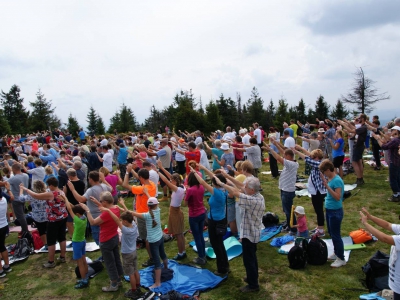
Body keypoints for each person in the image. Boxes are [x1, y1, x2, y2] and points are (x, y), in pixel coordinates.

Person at [214, 176, 265, 293]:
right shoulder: (257, 195)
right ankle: (252, 277)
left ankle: (253, 285)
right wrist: (228, 178)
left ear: (251, 190)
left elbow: (235, 192)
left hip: (250, 235)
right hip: (252, 233)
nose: (244, 187)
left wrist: (221, 183)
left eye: (246, 187)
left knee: (249, 260)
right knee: (252, 258)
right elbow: (241, 186)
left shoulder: (252, 200)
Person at [190, 165, 229, 276]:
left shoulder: (216, 193)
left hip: (215, 221)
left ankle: (222, 269)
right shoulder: (223, 188)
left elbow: (203, 182)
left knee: (216, 245)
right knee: (220, 244)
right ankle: (225, 265)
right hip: (220, 219)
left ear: (215, 183)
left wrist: (194, 173)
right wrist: (203, 168)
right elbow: (213, 177)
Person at [81, 192, 124, 292]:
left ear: (105, 202)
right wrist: (97, 202)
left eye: (101, 201)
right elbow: (107, 209)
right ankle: (119, 279)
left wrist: (87, 210)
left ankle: (113, 284)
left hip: (106, 240)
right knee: (116, 259)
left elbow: (93, 222)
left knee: (109, 263)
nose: (100, 203)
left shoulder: (105, 214)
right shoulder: (116, 208)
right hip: (114, 237)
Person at [100, 200, 143, 299]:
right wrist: (123, 204)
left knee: (131, 273)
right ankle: (138, 286)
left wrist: (108, 210)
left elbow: (116, 220)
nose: (121, 221)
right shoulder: (134, 224)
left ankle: (133, 291)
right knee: (136, 270)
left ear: (125, 222)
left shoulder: (126, 230)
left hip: (127, 253)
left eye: (123, 220)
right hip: (134, 252)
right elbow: (129, 214)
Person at [22, 177, 68, 268]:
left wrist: (26, 189)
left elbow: (36, 196)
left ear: (51, 185)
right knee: (62, 237)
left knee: (51, 241)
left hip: (53, 220)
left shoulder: (51, 194)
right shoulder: (61, 191)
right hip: (63, 217)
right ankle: (63, 257)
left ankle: (51, 261)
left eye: (48, 185)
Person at [359, 208, 400, 299]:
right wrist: (371, 217)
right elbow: (387, 225)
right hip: (396, 281)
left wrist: (366, 223)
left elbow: (384, 238)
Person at [130, 196, 168, 289]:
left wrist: (122, 206)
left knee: (156, 262)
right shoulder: (158, 210)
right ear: (156, 205)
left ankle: (158, 282)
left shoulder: (146, 215)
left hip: (153, 241)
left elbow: (132, 213)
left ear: (148, 206)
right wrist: (148, 194)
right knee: (162, 254)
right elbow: (153, 204)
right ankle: (166, 268)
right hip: (160, 237)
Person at [122, 166, 157, 267]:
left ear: (141, 177)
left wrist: (128, 172)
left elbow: (125, 184)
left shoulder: (141, 189)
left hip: (142, 216)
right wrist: (132, 169)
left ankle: (152, 258)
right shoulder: (152, 185)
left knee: (146, 239)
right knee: (151, 237)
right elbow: (141, 178)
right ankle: (155, 256)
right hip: (150, 213)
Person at [263, 142, 298, 236]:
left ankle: (293, 230)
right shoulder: (291, 161)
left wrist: (270, 150)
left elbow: (279, 158)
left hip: (287, 191)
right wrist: (275, 144)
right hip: (284, 189)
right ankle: (289, 225)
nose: (283, 156)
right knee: (286, 210)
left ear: (288, 156)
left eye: (285, 155)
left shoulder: (291, 164)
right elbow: (283, 153)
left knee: (289, 211)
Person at [155, 161, 186, 260]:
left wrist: (158, 171)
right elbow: (170, 177)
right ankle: (182, 251)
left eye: (172, 180)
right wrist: (162, 168)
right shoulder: (182, 186)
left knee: (178, 234)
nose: (171, 181)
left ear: (175, 181)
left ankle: (181, 252)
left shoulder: (178, 189)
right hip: (176, 211)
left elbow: (166, 180)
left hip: (175, 212)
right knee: (179, 233)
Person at [293, 147, 327, 237]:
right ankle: (319, 227)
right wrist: (301, 149)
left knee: (319, 211)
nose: (311, 158)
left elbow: (307, 159)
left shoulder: (318, 164)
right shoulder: (318, 162)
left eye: (313, 157)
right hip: (316, 192)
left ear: (317, 157)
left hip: (318, 192)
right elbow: (309, 156)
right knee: (318, 210)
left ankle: (321, 230)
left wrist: (297, 151)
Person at [319, 159, 346, 268]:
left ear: (329, 170)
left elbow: (338, 197)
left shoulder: (337, 181)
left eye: (324, 172)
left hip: (335, 211)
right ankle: (336, 252)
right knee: (331, 233)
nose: (324, 174)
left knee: (336, 235)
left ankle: (341, 258)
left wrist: (327, 187)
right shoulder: (330, 178)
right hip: (329, 210)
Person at [63, 195, 89, 289]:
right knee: (84, 259)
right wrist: (65, 200)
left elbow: (70, 209)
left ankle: (83, 280)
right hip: (82, 241)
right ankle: (86, 276)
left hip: (77, 242)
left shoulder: (77, 220)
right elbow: (73, 208)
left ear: (77, 214)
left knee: (80, 263)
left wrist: (66, 199)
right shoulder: (84, 218)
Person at [183, 172, 207, 265]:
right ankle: (203, 254)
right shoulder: (201, 187)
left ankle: (201, 257)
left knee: (197, 236)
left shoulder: (190, 190)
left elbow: (185, 204)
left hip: (194, 215)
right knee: (201, 234)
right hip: (202, 213)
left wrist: (186, 194)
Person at [19, 180, 49, 248]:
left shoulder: (32, 195)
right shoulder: (47, 192)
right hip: (48, 214)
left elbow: (21, 198)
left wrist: (21, 190)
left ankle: (46, 244)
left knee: (41, 231)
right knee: (48, 229)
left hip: (38, 216)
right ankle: (51, 241)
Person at [0, 182, 13, 277]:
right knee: (2, 246)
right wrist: (8, 189)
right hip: (4, 225)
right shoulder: (4, 199)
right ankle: (7, 265)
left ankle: (0, 270)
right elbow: (11, 198)